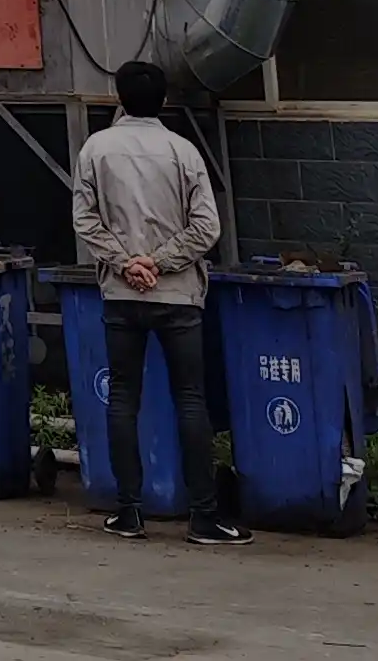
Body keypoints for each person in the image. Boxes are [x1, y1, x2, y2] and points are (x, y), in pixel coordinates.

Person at [71, 56, 247, 544]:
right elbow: (207, 228)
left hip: (121, 296)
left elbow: (85, 222)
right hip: (179, 297)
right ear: (164, 100)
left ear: (120, 99)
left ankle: (128, 512)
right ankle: (204, 517)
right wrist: (161, 261)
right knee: (190, 399)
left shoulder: (96, 149)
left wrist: (128, 263)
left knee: (122, 398)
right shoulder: (183, 151)